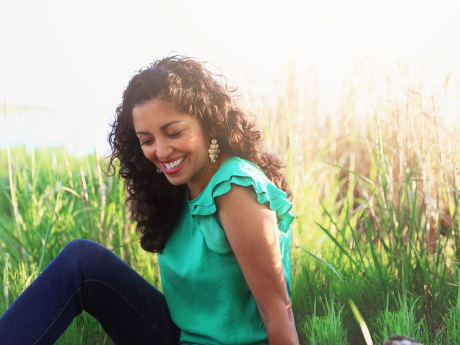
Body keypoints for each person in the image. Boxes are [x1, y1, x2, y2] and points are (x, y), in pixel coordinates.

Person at [0, 56, 299, 344]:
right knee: (82, 261)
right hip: (183, 337)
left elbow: (278, 314)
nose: (162, 151)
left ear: (209, 125)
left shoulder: (234, 187)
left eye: (173, 132)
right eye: (147, 140)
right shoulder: (178, 189)